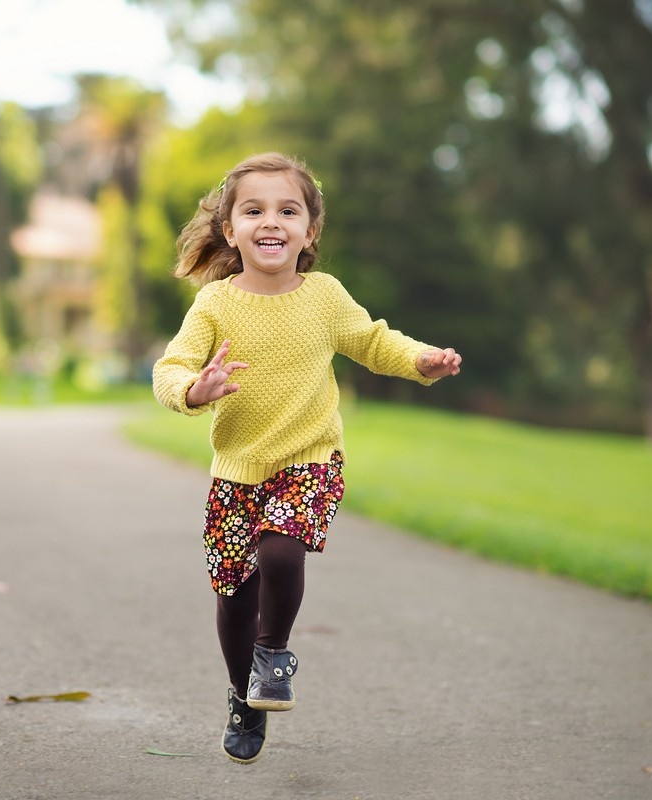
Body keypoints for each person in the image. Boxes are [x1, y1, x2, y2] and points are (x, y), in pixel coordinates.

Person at [151, 152, 461, 765]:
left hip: (310, 458)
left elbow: (373, 341)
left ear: (309, 230)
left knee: (281, 549)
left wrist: (421, 360)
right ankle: (243, 697)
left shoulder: (324, 296)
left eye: (287, 210)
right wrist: (193, 390)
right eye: (254, 210)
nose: (271, 221)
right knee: (234, 596)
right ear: (230, 230)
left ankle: (273, 655)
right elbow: (171, 367)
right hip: (237, 470)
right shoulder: (214, 304)